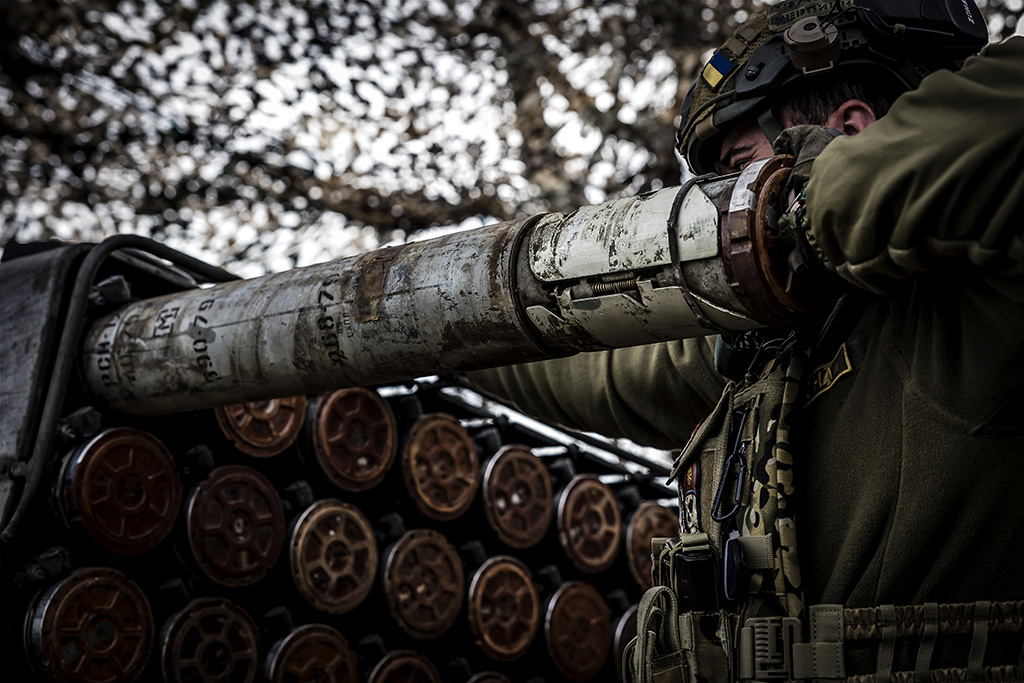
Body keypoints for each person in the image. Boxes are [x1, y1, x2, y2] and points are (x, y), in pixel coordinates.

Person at [467, 1, 1024, 679]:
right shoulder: (772, 343)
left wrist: (806, 200)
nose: (715, 207)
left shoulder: (975, 295)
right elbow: (578, 353)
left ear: (850, 129)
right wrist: (413, 335)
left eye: (735, 169)